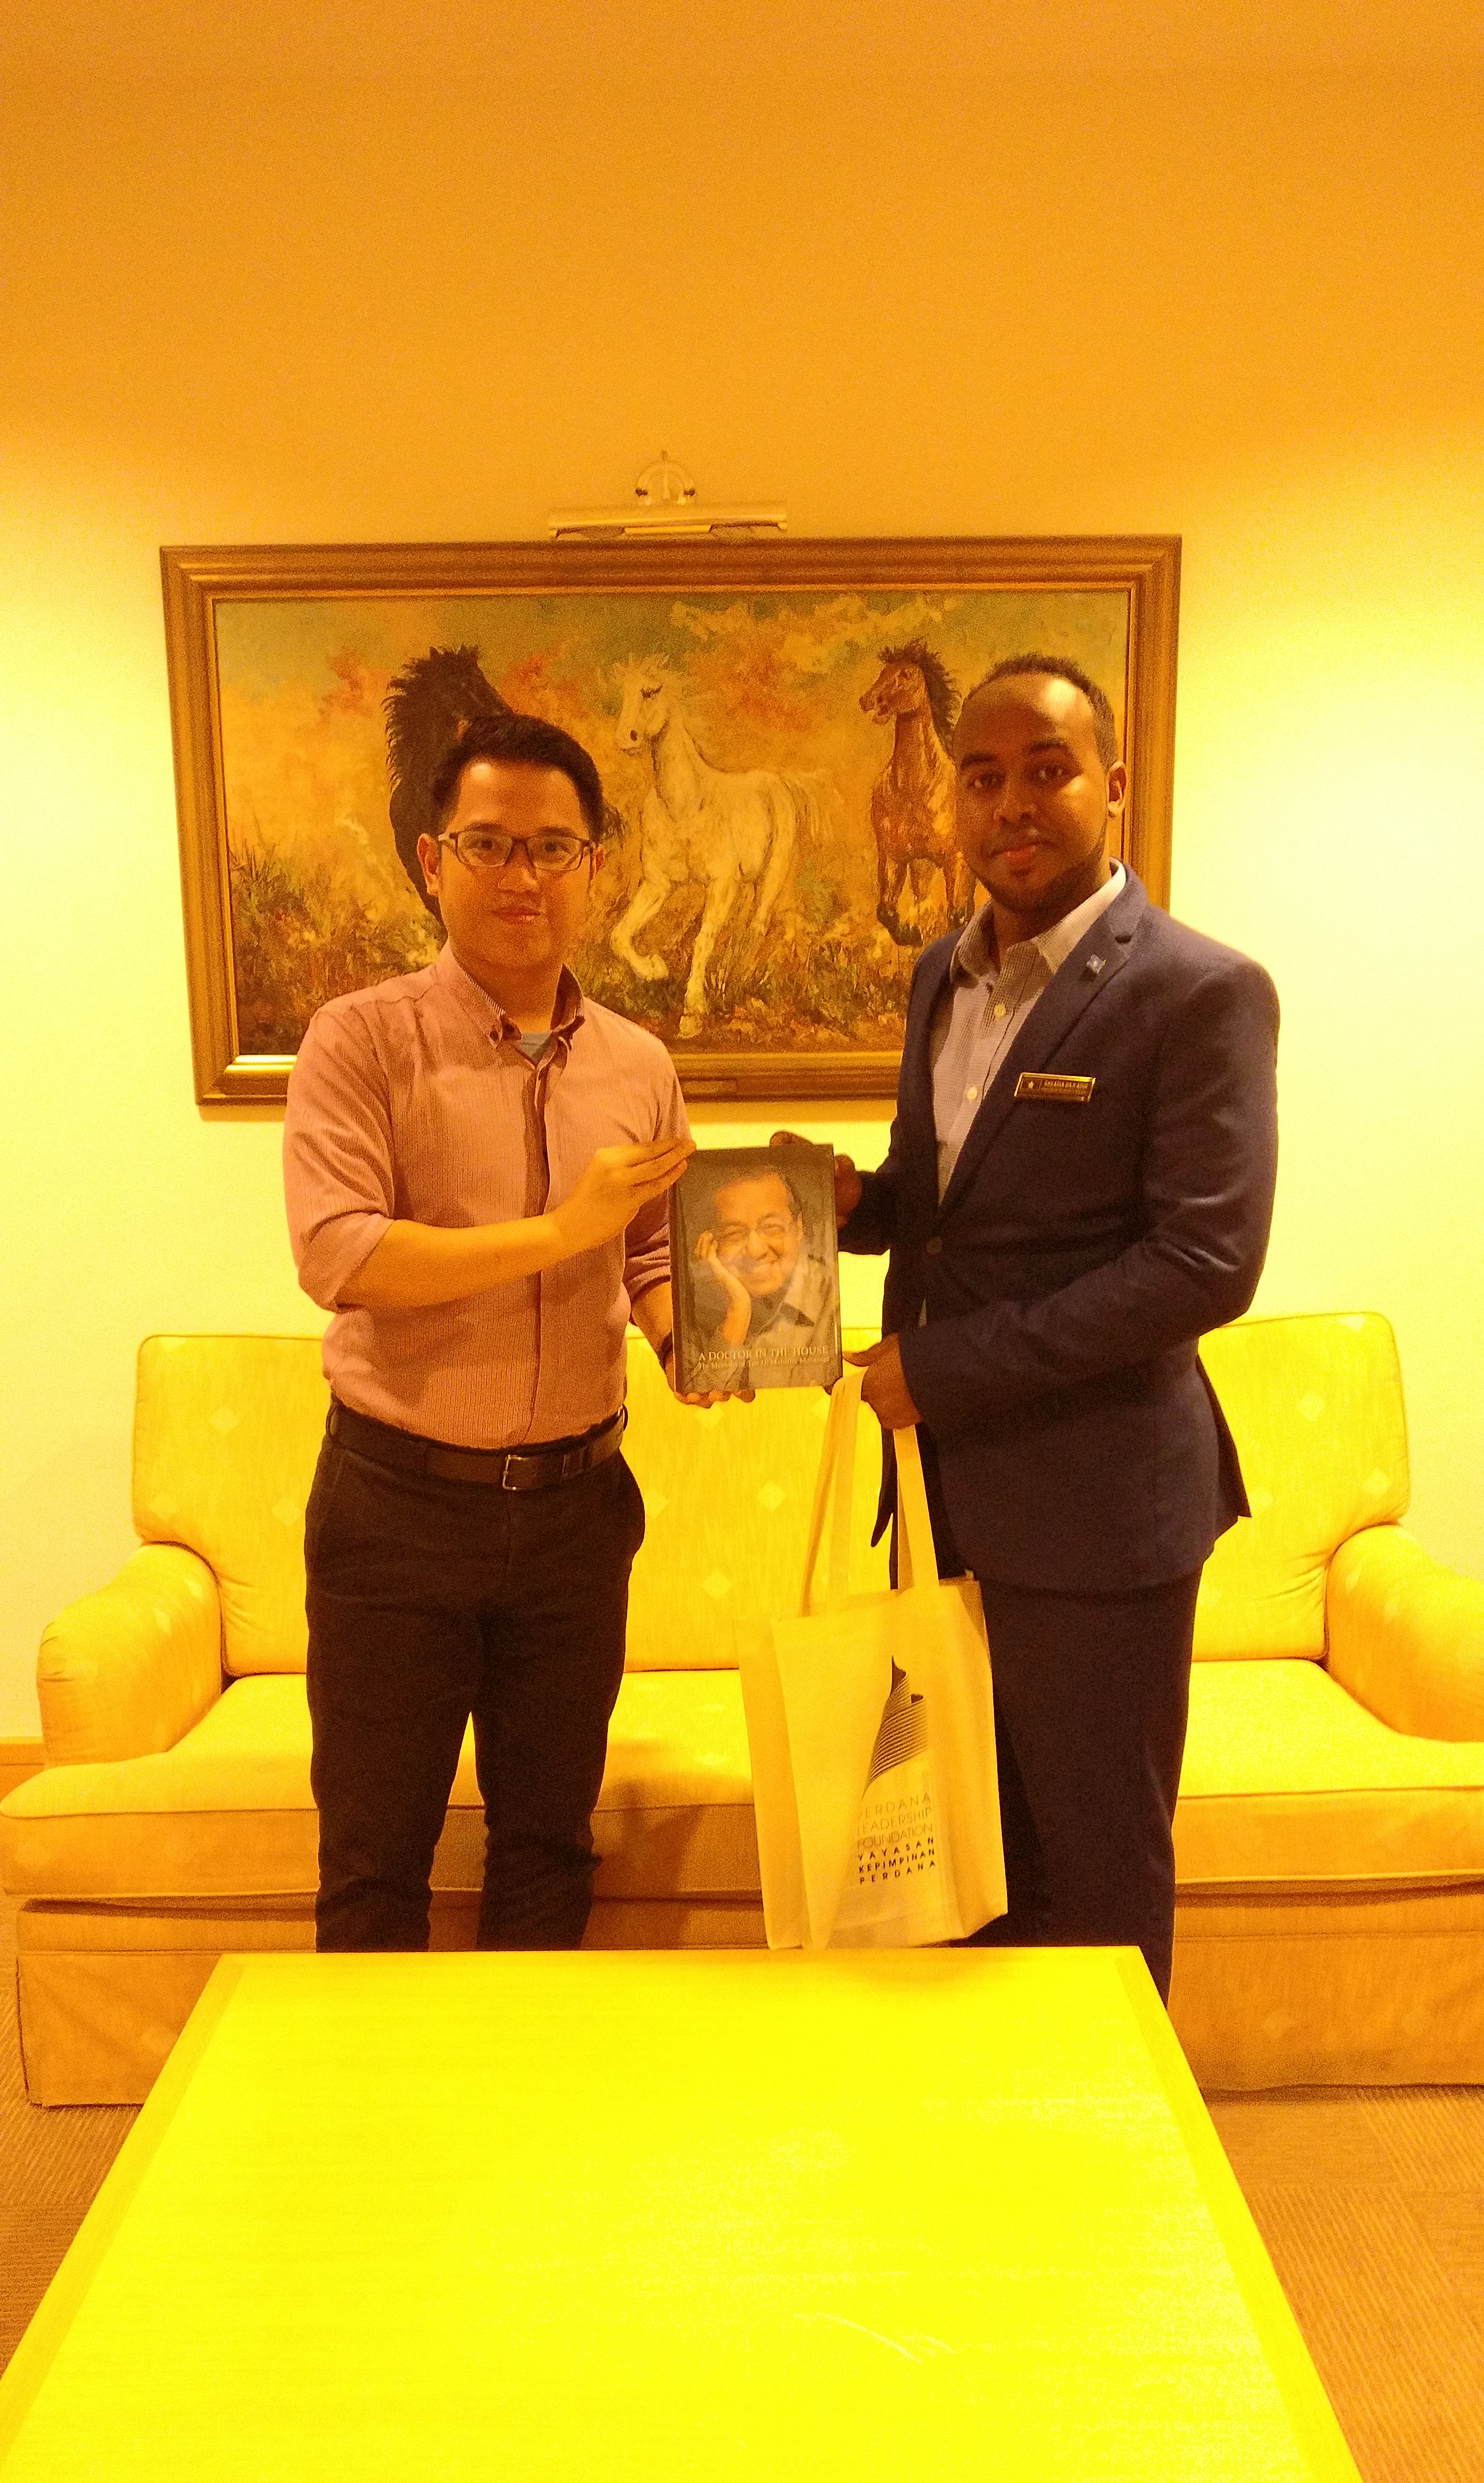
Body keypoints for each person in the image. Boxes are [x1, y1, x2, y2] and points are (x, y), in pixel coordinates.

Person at [778, 654, 1279, 1999]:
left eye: (1046, 770)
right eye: (982, 775)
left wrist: (941, 1368)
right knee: (966, 1857)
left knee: (1094, 1871)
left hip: (1100, 1509)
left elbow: (1203, 1261)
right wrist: (855, 1204)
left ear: (1111, 783)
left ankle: (1114, 2129)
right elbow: (943, 1195)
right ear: (951, 798)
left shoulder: (1197, 989)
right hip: (941, 1502)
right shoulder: (938, 977)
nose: (1011, 802)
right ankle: (988, 2126)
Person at [283, 709, 700, 1954]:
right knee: (375, 1865)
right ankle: (374, 2091)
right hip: (397, 1512)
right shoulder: (359, 1039)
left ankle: (522, 2087)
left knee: (547, 1849)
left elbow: (650, 1251)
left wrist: (694, 1341)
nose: (524, 875)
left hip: (576, 1516)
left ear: (595, 866)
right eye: (490, 843)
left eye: (554, 847)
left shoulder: (638, 1064)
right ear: (433, 861)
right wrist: (563, 1230)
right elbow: (341, 1255)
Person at [690, 1163, 839, 1385]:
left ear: (799, 1228)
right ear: (710, 1243)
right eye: (734, 1234)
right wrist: (737, 1311)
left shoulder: (834, 1301)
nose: (755, 1250)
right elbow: (698, 1396)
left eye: (772, 1228)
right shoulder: (692, 1308)